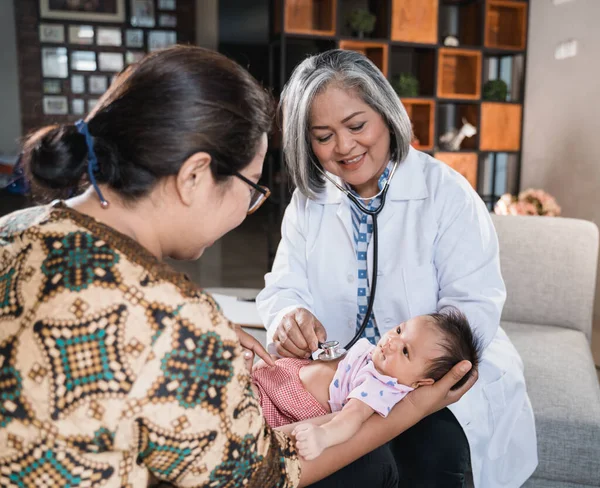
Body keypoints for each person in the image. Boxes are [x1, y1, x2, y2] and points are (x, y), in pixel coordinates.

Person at [0, 46, 476, 488]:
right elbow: (267, 474)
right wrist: (411, 406)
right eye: (251, 187)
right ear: (193, 177)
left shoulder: (13, 228)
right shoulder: (178, 324)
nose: (249, 207)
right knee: (373, 468)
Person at [256, 49, 538, 488]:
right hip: (341, 380)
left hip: (428, 380)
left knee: (430, 457)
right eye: (323, 135)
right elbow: (282, 288)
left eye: (356, 125)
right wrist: (287, 317)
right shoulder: (308, 202)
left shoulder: (445, 193)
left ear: (386, 115)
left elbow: (472, 309)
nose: (345, 146)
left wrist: (405, 380)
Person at [251, 310, 480, 460]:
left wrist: (323, 436)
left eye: (405, 351)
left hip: (281, 403)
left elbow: (351, 418)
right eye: (399, 330)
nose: (391, 341)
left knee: (237, 403)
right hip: (280, 379)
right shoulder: (380, 361)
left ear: (421, 382)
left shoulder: (381, 387)